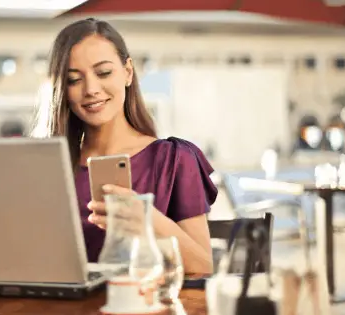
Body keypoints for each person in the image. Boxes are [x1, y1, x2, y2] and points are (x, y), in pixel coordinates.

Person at [31, 18, 218, 274]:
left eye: (104, 73)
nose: (91, 89)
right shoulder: (48, 167)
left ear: (128, 72)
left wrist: (148, 221)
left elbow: (205, 266)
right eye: (74, 80)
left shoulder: (174, 159)